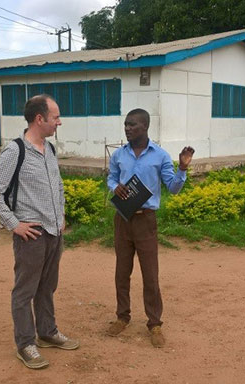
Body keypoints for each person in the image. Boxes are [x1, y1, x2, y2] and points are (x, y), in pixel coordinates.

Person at [0, 95, 78, 370]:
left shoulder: (50, 149)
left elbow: (57, 187)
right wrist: (14, 224)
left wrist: (60, 216)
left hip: (53, 232)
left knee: (47, 287)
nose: (59, 122)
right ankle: (26, 344)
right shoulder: (16, 151)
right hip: (31, 235)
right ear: (40, 119)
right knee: (25, 291)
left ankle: (47, 332)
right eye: (55, 117)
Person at [106, 108, 194, 348]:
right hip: (123, 219)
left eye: (132, 125)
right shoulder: (119, 155)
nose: (127, 128)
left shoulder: (160, 156)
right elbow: (111, 177)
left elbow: (173, 188)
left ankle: (154, 324)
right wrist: (115, 187)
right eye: (125, 124)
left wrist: (183, 169)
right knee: (122, 271)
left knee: (150, 274)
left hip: (146, 220)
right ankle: (122, 317)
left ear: (145, 127)